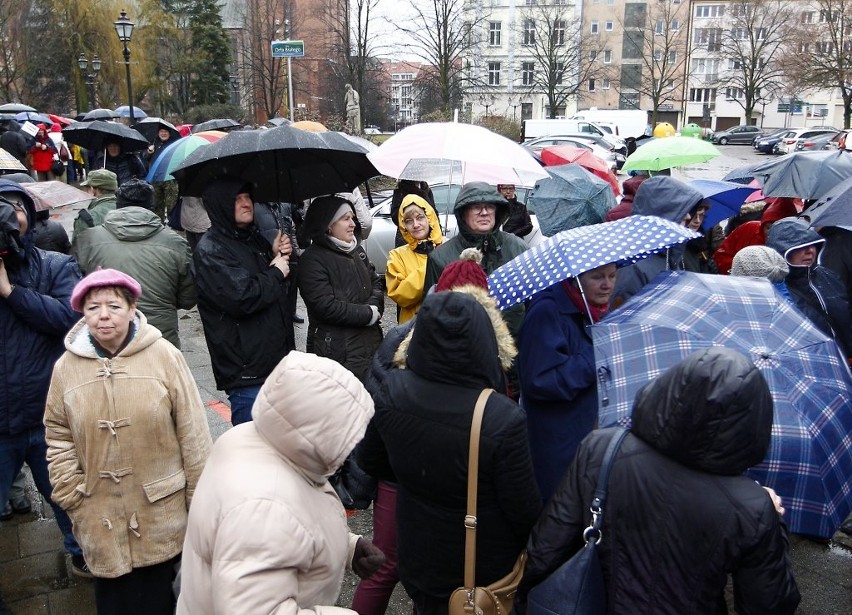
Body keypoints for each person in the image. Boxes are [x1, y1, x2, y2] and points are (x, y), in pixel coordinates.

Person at [514, 347, 801, 615]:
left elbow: (546, 549)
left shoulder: (600, 450)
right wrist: (774, 524)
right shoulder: (752, 507)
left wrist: (524, 602)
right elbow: (770, 604)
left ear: (673, 389)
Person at [359, 290, 541, 615]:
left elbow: (372, 461)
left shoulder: (393, 389)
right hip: (478, 571)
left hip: (419, 556)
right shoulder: (500, 417)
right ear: (484, 339)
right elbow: (524, 512)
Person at [44, 268, 213, 615]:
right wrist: (72, 493)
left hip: (160, 514)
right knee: (114, 603)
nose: (103, 315)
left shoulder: (165, 355)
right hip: (98, 515)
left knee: (164, 603)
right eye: (92, 308)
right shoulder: (66, 368)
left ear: (132, 307)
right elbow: (57, 433)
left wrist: (200, 506)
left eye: (113, 306)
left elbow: (194, 434)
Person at [177, 352, 385, 614]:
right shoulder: (265, 507)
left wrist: (347, 547)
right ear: (318, 432)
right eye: (348, 432)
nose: (354, 444)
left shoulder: (259, 439)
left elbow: (290, 528)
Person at [0, 179, 88, 578]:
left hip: (45, 415)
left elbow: (69, 319)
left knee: (67, 499)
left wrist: (10, 292)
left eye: (15, 207)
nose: (8, 216)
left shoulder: (55, 265)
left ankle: (83, 554)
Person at [193, 177, 294, 425]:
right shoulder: (211, 250)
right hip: (247, 370)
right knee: (253, 450)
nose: (246, 203)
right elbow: (242, 297)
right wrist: (276, 272)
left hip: (274, 362)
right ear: (221, 205)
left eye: (247, 197)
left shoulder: (252, 238)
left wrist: (276, 255)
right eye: (237, 199)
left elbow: (276, 289)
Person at [517, 262, 617, 503]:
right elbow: (539, 380)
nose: (607, 285)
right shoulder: (547, 311)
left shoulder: (594, 310)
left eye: (613, 276)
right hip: (557, 445)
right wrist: (592, 356)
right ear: (576, 278)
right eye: (597, 277)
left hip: (586, 436)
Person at [74, 179, 196, 348]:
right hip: (159, 338)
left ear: (118, 205)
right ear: (151, 205)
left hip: (108, 337)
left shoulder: (87, 239)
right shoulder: (176, 244)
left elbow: (76, 289)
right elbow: (188, 299)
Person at [423, 181, 529, 335]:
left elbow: (532, 303)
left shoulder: (518, 249)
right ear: (463, 213)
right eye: (476, 207)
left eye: (490, 206)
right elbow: (430, 313)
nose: (484, 212)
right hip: (464, 349)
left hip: (514, 347)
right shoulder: (440, 257)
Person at [297, 195, 383, 382]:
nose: (353, 223)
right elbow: (325, 306)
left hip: (371, 345)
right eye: (346, 218)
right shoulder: (312, 261)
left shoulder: (357, 251)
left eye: (352, 217)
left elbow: (376, 283)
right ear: (328, 225)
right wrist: (367, 314)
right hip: (337, 353)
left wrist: (374, 307)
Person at [609, 176, 707, 309]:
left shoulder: (670, 253)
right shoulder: (634, 266)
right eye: (680, 210)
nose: (689, 216)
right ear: (663, 212)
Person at [766, 217, 852, 360]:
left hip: (843, 362)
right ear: (782, 250)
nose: (810, 251)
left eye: (813, 245)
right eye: (801, 246)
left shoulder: (828, 277)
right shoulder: (776, 290)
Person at [386, 194, 443, 323]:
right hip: (413, 327)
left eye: (420, 218)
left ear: (429, 218)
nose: (415, 225)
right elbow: (399, 294)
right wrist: (432, 264)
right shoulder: (397, 256)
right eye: (409, 221)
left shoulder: (447, 247)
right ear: (403, 225)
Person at [714, 197, 799, 275]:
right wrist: (739, 270)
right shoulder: (748, 229)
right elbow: (722, 254)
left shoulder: (797, 245)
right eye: (768, 227)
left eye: (778, 228)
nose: (771, 232)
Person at [72, 169, 119, 251]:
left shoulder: (86, 218)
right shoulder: (128, 209)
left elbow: (78, 251)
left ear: (93, 189)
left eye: (87, 188)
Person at [146, 128, 180, 221]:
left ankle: (173, 223)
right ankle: (158, 223)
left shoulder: (174, 144)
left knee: (172, 203)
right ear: (158, 133)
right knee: (156, 203)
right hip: (155, 178)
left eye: (166, 132)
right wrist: (149, 153)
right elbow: (145, 159)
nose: (163, 133)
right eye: (161, 131)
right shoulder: (153, 143)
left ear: (169, 133)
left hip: (170, 178)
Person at [390, 179, 436, 247]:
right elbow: (395, 216)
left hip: (428, 237)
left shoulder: (426, 189)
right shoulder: (401, 191)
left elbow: (433, 212)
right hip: (407, 238)